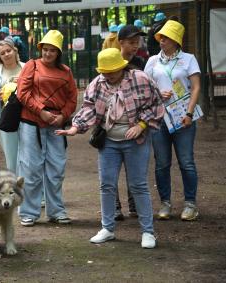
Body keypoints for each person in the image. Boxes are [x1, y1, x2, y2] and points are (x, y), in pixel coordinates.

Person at [56, 48, 164, 249]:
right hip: (109, 143)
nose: (108, 76)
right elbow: (88, 109)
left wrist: (141, 126)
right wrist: (75, 127)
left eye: (112, 71)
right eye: (104, 72)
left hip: (136, 142)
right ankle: (107, 228)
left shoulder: (140, 79)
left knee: (138, 184)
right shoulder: (97, 84)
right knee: (106, 184)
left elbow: (157, 105)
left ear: (121, 67)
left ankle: (148, 232)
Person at [16, 30, 78, 227]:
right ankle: (28, 212)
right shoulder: (31, 66)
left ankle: (56, 211)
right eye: (45, 49)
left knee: (56, 168)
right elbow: (22, 92)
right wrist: (40, 111)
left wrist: (63, 116)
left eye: (52, 50)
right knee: (31, 168)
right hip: (31, 121)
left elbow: (72, 98)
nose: (47, 53)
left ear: (59, 53)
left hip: (56, 125)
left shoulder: (66, 72)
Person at [144, 20, 201, 221]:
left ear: (176, 41)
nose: (161, 41)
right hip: (160, 119)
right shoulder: (152, 62)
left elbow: (195, 87)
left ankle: (190, 204)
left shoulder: (188, 59)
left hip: (183, 119)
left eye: (166, 38)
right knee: (162, 163)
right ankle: (165, 203)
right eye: (160, 38)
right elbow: (145, 90)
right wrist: (159, 93)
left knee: (186, 162)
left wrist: (189, 113)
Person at [110, 24, 147, 221]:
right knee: (112, 170)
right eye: (132, 42)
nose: (135, 46)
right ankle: (115, 207)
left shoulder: (141, 62)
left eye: (137, 42)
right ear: (121, 42)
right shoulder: (110, 60)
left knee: (135, 170)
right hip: (113, 125)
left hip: (136, 124)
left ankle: (135, 206)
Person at [0, 39, 24, 173]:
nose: (7, 54)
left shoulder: (26, 68)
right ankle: (16, 189)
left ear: (15, 51)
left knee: (30, 157)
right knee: (12, 159)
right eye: (2, 53)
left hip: (27, 119)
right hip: (6, 121)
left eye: (9, 51)